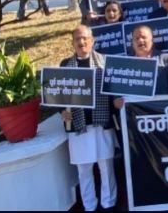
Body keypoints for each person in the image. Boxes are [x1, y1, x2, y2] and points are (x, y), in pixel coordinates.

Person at [59, 25, 120, 212]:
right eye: (77, 39)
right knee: (84, 170)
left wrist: (116, 101)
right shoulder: (65, 65)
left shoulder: (104, 62)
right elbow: (58, 93)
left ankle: (108, 204)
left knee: (106, 167)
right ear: (72, 43)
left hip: (102, 124)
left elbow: (114, 90)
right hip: (78, 125)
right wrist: (62, 111)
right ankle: (89, 206)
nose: (81, 42)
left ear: (92, 40)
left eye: (85, 38)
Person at [122, 25, 168, 95]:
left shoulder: (166, 58)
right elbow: (118, 88)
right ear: (132, 43)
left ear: (152, 41)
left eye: (143, 37)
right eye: (137, 38)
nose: (140, 40)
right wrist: (117, 98)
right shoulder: (125, 63)